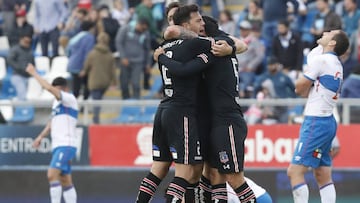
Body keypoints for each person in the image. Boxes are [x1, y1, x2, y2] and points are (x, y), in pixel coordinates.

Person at [154, 15, 256, 203]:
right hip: (211, 120)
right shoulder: (219, 44)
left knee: (232, 177)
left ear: (204, 32)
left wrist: (161, 57)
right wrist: (234, 47)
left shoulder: (216, 46)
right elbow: (238, 44)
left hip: (227, 120)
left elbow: (183, 66)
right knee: (211, 174)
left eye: (201, 23)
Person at [287, 30, 349, 203]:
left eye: (330, 33)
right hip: (327, 121)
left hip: (315, 122)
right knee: (322, 174)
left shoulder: (322, 60)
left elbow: (299, 89)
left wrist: (307, 87)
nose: (325, 32)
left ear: (333, 43)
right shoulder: (334, 62)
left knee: (294, 172)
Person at [26, 63, 79, 203]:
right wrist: (40, 136)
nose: (54, 94)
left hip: (66, 144)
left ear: (64, 89)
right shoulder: (56, 104)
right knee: (65, 180)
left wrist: (34, 73)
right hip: (58, 145)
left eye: (57, 91)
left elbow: (48, 88)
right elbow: (51, 122)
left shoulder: (69, 99)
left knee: (51, 175)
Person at [81, 32, 116, 124]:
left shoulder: (92, 54)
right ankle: (96, 120)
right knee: (99, 100)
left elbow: (86, 67)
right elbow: (113, 71)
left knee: (96, 102)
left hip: (94, 81)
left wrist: (84, 72)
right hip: (105, 82)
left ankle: (96, 121)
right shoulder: (110, 55)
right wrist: (114, 82)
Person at [115, 17, 151, 99]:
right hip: (125, 60)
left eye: (145, 29)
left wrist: (148, 64)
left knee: (136, 84)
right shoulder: (125, 29)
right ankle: (125, 100)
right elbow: (119, 42)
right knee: (124, 83)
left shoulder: (146, 33)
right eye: (142, 28)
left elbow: (147, 49)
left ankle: (136, 102)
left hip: (138, 61)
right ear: (138, 24)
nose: (143, 30)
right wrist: (123, 57)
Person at [7, 34, 34, 100]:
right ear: (21, 40)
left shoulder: (30, 50)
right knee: (22, 94)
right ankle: (23, 109)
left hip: (29, 76)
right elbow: (10, 60)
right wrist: (21, 68)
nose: (27, 43)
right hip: (17, 75)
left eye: (28, 42)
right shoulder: (15, 49)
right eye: (25, 41)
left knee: (34, 92)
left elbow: (33, 63)